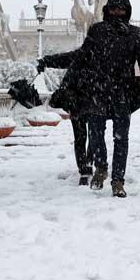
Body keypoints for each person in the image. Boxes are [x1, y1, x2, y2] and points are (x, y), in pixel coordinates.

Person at [50, 0, 140, 197]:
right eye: (113, 9)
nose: (117, 12)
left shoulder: (136, 34)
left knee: (121, 139)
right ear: (107, 11)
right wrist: (58, 69)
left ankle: (118, 181)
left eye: (121, 9)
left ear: (127, 11)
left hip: (123, 93)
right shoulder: (97, 30)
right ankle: (101, 168)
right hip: (97, 92)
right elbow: (81, 57)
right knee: (96, 135)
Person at [37, 50, 94, 186]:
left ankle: (86, 166)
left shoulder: (97, 54)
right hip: (80, 101)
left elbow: (64, 58)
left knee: (89, 137)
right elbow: (63, 58)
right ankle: (85, 168)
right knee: (86, 137)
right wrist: (46, 61)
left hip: (87, 101)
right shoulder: (85, 52)